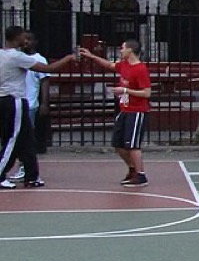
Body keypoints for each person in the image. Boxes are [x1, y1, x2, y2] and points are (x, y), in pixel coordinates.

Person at [1, 28, 78, 189]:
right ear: (16, 38)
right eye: (24, 37)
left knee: (27, 139)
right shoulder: (17, 57)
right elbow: (48, 69)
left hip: (11, 99)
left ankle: (32, 175)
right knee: (12, 138)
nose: (27, 41)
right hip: (14, 99)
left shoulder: (3, 54)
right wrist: (68, 58)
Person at [76, 40, 153, 187]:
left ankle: (141, 175)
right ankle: (132, 169)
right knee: (117, 143)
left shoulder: (140, 69)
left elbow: (147, 93)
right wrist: (92, 56)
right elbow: (109, 65)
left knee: (133, 145)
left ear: (130, 50)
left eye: (123, 48)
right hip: (124, 108)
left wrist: (125, 91)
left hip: (136, 110)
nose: (120, 51)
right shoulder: (123, 65)